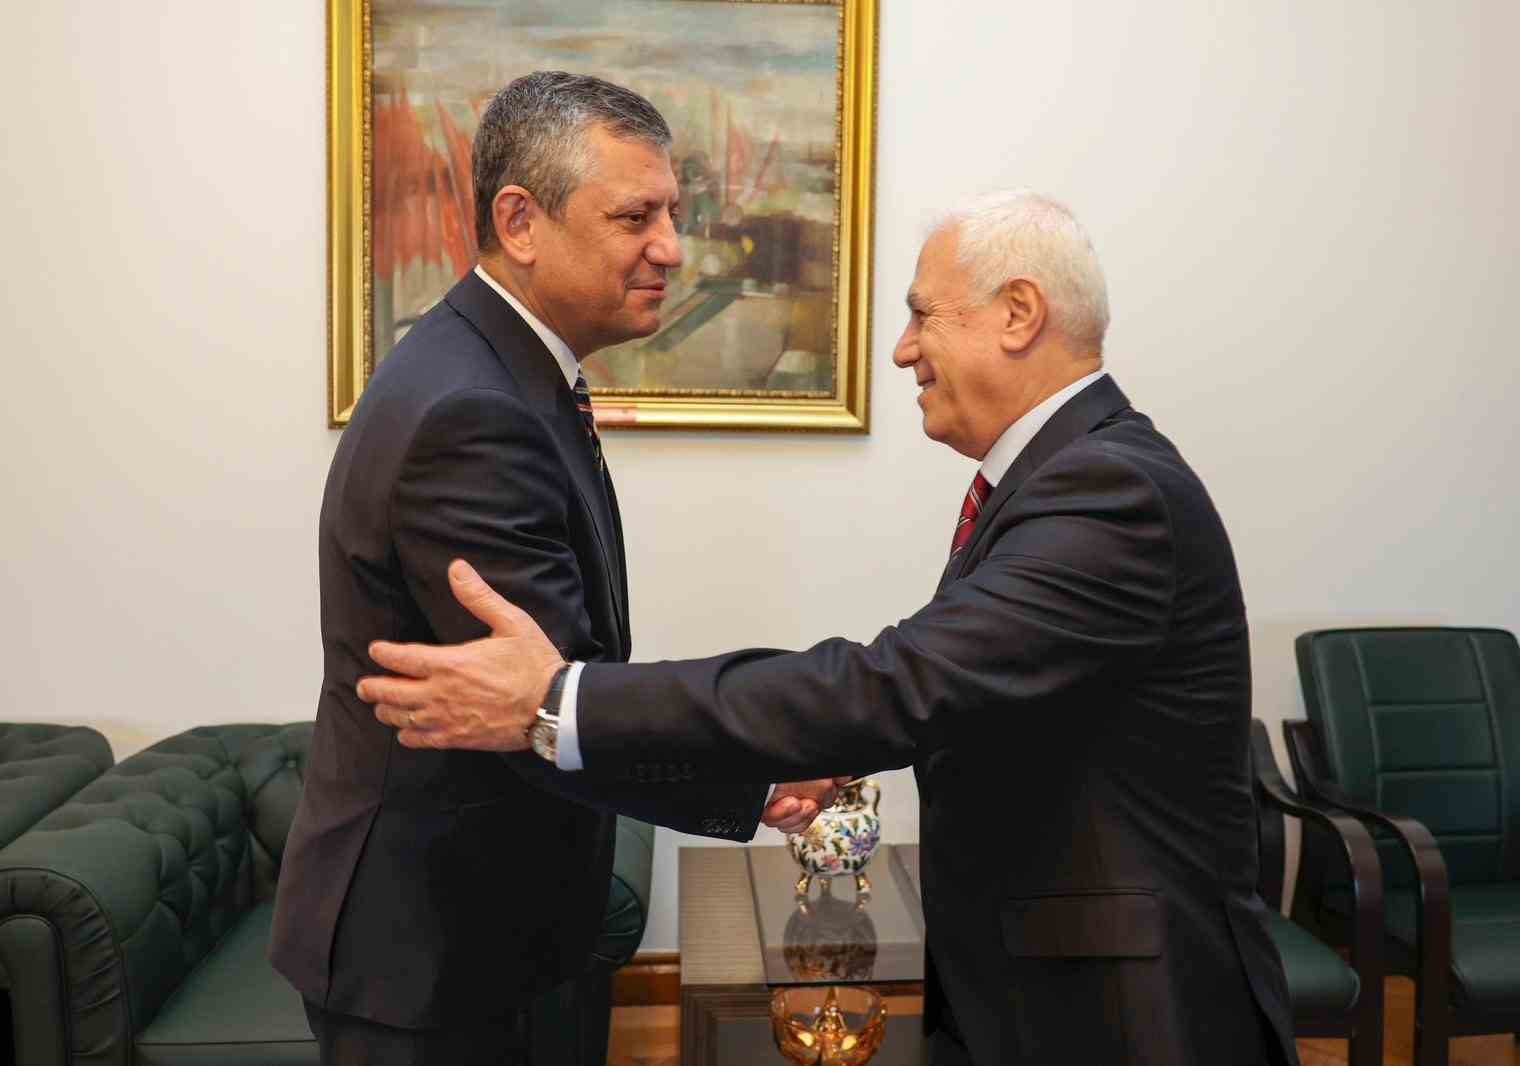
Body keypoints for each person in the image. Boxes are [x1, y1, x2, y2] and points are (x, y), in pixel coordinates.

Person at [357, 190, 1302, 1066]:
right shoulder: (1068, 477)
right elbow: (941, 692)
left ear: (1019, 313)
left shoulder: (1110, 491)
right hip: (1049, 983)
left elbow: (897, 687)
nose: (902, 350)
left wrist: (562, 700)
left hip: (1128, 1013)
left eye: (922, 315)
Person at [269, 72, 832, 1066]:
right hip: (434, 955)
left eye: (672, 213)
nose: (672, 246)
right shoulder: (471, 411)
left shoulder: (498, 371)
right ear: (520, 222)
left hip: (488, 927)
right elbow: (541, 704)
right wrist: (757, 775)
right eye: (635, 217)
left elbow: (556, 689)